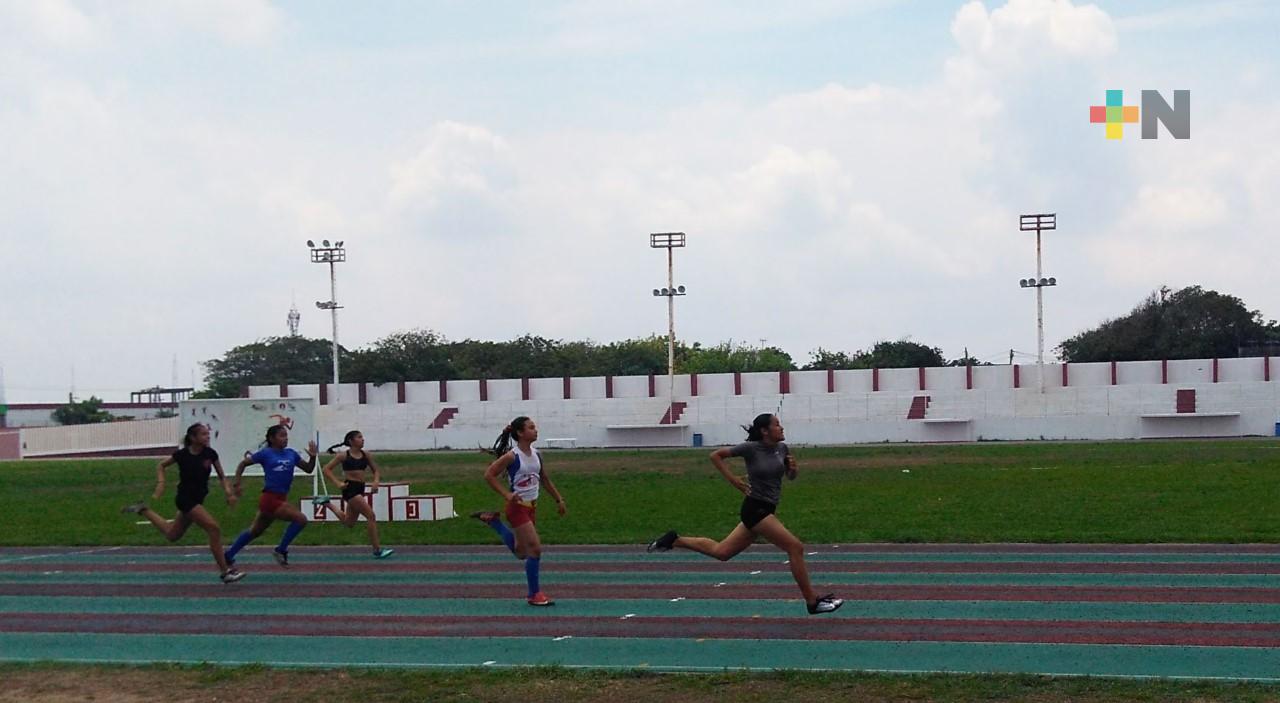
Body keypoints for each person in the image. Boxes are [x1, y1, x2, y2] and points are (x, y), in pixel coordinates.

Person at [646, 413, 843, 614]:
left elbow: (789, 477)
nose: (782, 428)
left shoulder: (782, 448)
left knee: (722, 552)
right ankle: (812, 602)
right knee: (795, 547)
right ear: (764, 431)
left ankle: (674, 540)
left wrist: (793, 469)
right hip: (755, 509)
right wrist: (733, 480)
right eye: (777, 425)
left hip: (767, 508)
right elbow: (715, 455)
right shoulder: (750, 449)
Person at [122, 423, 244, 583]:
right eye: (203, 434)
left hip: (198, 498)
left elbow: (222, 476)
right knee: (213, 528)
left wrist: (229, 493)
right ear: (193, 438)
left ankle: (143, 509)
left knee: (172, 534)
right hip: (186, 499)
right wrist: (161, 483)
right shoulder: (182, 455)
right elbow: (161, 465)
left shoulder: (210, 454)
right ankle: (225, 571)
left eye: (208, 434)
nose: (207, 437)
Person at [470, 416, 566, 606]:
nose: (536, 430)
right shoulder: (512, 456)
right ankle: (534, 594)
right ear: (520, 433)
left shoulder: (537, 454)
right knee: (535, 550)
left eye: (535, 427)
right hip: (517, 509)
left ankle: (494, 522)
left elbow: (544, 479)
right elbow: (489, 475)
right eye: (531, 428)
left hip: (532, 508)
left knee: (521, 552)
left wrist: (559, 499)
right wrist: (507, 494)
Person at [224, 424, 319, 568]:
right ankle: (281, 550)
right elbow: (243, 464)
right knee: (301, 519)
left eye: (286, 435)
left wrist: (313, 457)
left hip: (281, 497)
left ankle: (228, 555)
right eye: (281, 435)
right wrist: (237, 483)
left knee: (255, 531)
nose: (285, 438)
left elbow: (308, 469)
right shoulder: (266, 453)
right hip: (270, 498)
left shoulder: (291, 453)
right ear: (271, 438)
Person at [320, 430, 394, 559]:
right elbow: (326, 469)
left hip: (361, 488)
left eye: (362, 437)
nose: (363, 439)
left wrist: (375, 482)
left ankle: (327, 504)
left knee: (349, 522)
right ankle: (377, 550)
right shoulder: (343, 456)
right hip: (350, 489)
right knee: (370, 515)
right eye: (359, 437)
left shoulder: (366, 455)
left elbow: (375, 470)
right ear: (351, 441)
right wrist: (338, 483)